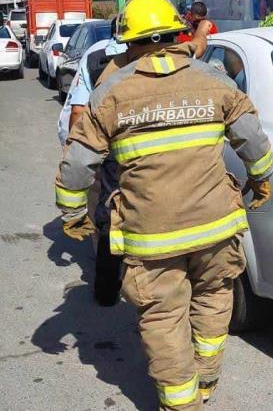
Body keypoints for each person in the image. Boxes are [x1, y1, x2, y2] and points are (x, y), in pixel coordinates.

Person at [54, 0, 273, 409]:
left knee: (163, 317)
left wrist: (74, 214)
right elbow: (255, 143)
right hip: (215, 227)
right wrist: (260, 180)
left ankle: (181, 402)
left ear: (128, 41)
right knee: (213, 297)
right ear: (179, 32)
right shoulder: (215, 80)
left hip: (151, 236)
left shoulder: (111, 91)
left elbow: (78, 166)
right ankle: (206, 381)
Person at [56, 15, 212, 307]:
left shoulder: (97, 58)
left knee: (110, 214)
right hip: (135, 152)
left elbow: (79, 111)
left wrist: (78, 150)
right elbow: (196, 48)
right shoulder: (174, 56)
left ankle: (108, 289)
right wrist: (202, 30)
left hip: (114, 152)